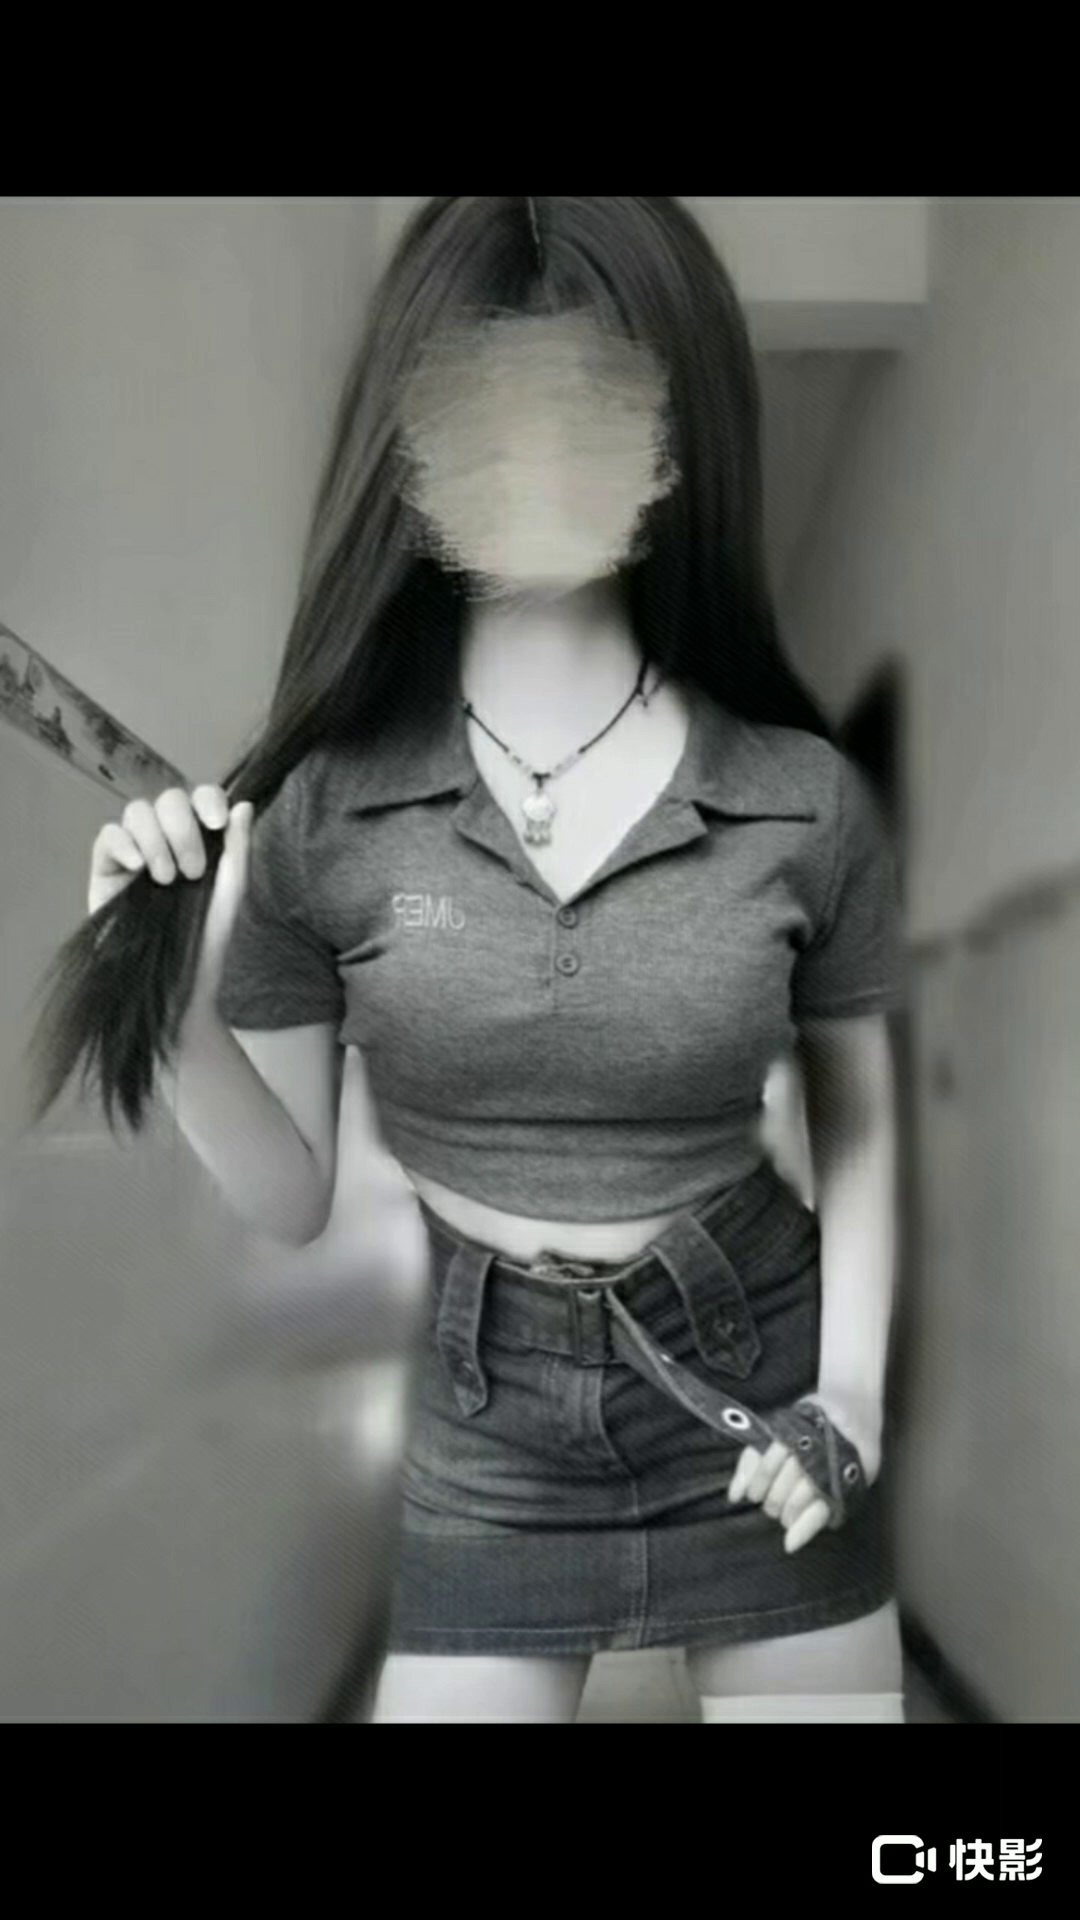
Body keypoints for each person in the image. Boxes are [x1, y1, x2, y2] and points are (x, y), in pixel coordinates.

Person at [55, 197, 906, 1723]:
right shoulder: (325, 813)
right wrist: (174, 1015)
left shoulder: (802, 798)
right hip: (488, 1416)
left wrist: (850, 1391)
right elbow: (289, 1199)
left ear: (682, 435)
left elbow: (857, 1116)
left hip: (758, 1377)